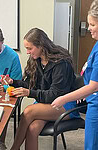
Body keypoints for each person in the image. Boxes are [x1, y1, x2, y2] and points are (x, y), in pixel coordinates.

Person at [0, 27, 80, 150]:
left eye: (29, 48)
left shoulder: (61, 63)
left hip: (64, 104)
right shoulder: (36, 60)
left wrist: (29, 93)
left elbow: (55, 94)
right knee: (33, 128)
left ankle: (14, 148)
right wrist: (13, 82)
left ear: (41, 46)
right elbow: (31, 85)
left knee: (28, 111)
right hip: (46, 104)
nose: (27, 52)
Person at [51, 0, 98, 149]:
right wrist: (85, 90)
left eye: (92, 24)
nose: (88, 28)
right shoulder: (96, 44)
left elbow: (93, 86)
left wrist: (63, 99)